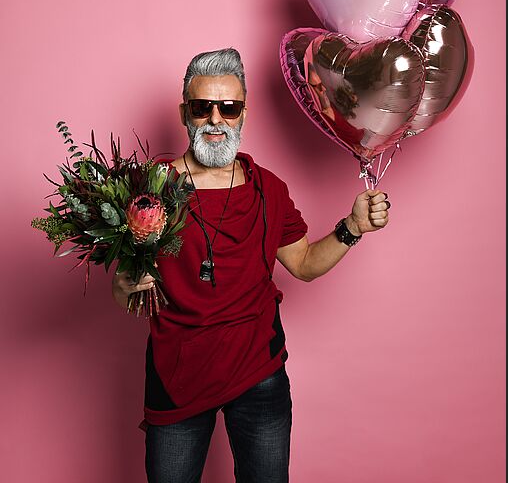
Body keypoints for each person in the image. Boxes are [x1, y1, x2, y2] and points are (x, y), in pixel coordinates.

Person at [112, 48, 390, 483]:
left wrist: (352, 227)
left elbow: (302, 263)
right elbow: (121, 286)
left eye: (229, 107)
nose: (216, 120)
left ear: (244, 113)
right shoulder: (149, 186)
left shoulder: (268, 190)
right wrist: (128, 281)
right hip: (176, 375)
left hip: (259, 376)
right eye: (203, 107)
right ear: (185, 112)